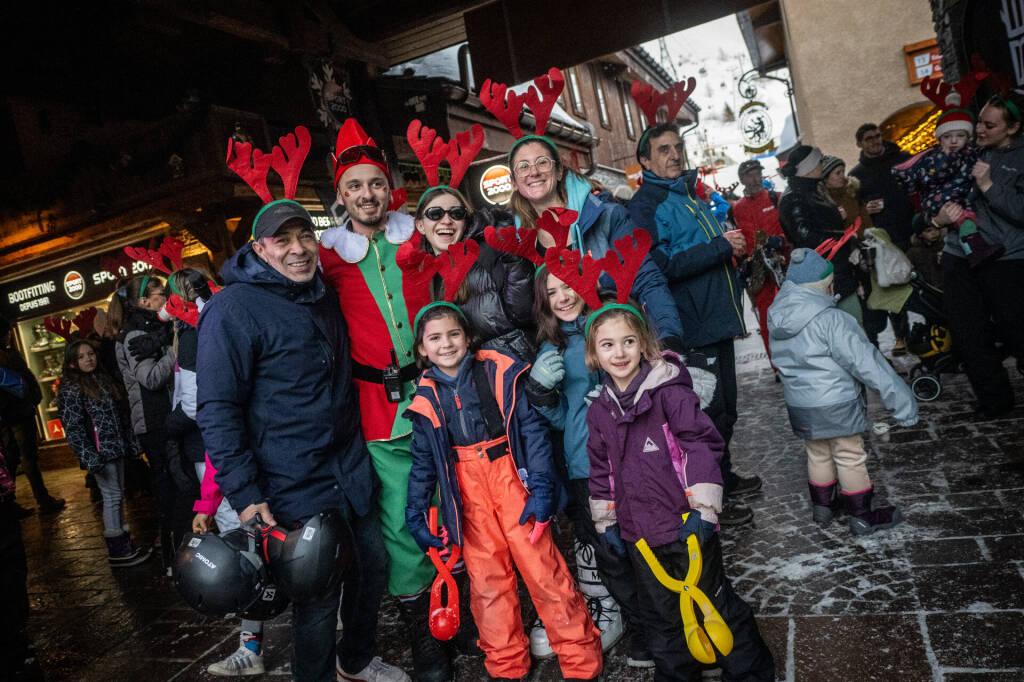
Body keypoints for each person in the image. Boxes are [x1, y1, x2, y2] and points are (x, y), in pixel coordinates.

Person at [197, 203, 406, 682]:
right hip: (291, 479)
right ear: (259, 248)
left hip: (348, 468)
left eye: (304, 236)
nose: (297, 249)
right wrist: (246, 495)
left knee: (373, 567)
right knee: (317, 597)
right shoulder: (231, 309)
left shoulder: (321, 293)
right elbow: (217, 409)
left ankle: (354, 659)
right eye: (282, 240)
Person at [319, 118, 478, 682]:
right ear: (341, 194)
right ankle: (427, 641)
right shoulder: (327, 257)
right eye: (355, 186)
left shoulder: (418, 235)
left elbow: (465, 241)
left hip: (439, 388)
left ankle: (468, 617)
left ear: (391, 189)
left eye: (376, 184)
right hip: (375, 406)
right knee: (400, 521)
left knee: (459, 500)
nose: (368, 194)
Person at [405, 301, 603, 682]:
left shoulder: (499, 371)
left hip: (511, 479)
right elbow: (423, 465)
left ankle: (580, 661)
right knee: (487, 584)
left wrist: (542, 489)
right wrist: (415, 514)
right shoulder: (425, 398)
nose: (446, 344)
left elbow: (533, 434)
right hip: (468, 495)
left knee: (544, 571)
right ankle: (506, 666)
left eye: (453, 334)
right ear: (421, 350)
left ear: (468, 337)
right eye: (435, 338)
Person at [585, 303, 775, 681]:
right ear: (594, 353)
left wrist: (704, 511)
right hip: (640, 534)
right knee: (660, 614)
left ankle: (750, 672)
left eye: (628, 342)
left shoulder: (669, 393)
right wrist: (607, 520)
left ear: (644, 344)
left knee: (714, 602)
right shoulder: (599, 410)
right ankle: (677, 674)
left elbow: (700, 445)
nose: (619, 353)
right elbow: (601, 467)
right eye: (608, 345)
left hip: (686, 523)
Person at [629, 122, 762, 527]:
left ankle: (723, 476)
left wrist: (727, 246)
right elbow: (660, 267)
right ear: (646, 160)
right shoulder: (645, 206)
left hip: (716, 320)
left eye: (678, 147)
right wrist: (720, 246)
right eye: (664, 149)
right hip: (691, 325)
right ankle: (711, 497)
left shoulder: (689, 195)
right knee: (707, 415)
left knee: (727, 411)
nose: (674, 155)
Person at [524, 268, 649, 667]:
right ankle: (638, 623)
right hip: (586, 464)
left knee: (645, 542)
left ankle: (664, 618)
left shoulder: (612, 326)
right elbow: (563, 420)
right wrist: (542, 396)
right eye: (553, 291)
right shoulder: (552, 346)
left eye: (569, 286)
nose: (563, 297)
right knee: (607, 551)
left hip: (634, 456)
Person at [768, 248, 918, 534]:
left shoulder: (777, 317)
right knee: (849, 454)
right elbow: (868, 364)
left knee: (817, 454)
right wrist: (902, 401)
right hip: (836, 402)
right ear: (825, 285)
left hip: (800, 404)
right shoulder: (832, 320)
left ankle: (823, 507)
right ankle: (861, 515)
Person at [933, 92, 1024, 419]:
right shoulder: (964, 151)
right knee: (967, 331)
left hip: (1006, 257)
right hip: (961, 253)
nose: (980, 130)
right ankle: (993, 400)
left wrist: (987, 186)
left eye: (989, 124)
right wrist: (936, 218)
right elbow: (932, 194)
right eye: (979, 122)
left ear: (1012, 127)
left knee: (1016, 328)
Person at [108, 274, 188, 570]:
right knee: (170, 490)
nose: (165, 299)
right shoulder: (133, 335)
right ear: (143, 301)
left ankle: (182, 553)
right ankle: (173, 558)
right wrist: (174, 348)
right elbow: (151, 378)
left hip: (166, 418)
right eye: (160, 295)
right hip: (154, 424)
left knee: (181, 486)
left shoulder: (153, 326)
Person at [412, 186, 536, 360]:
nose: (446, 220)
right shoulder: (425, 274)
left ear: (466, 221)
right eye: (435, 214)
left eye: (456, 213)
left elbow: (524, 313)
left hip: (514, 365)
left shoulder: (488, 252)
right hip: (471, 376)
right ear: (420, 225)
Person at [57, 339, 151, 565]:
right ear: (71, 363)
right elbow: (74, 427)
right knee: (112, 496)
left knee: (118, 495)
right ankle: (117, 550)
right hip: (99, 453)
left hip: (115, 448)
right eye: (81, 356)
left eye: (90, 354)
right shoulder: (71, 388)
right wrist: (89, 456)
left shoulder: (102, 379)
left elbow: (119, 416)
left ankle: (123, 542)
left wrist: (129, 443)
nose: (88, 359)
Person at [779, 145, 865, 323]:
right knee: (848, 329)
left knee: (854, 324)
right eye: (819, 161)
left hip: (837, 268)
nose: (822, 164)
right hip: (823, 275)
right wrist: (844, 238)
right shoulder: (794, 196)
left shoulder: (814, 189)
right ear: (808, 167)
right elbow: (805, 235)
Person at [848, 123, 914, 349]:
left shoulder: (903, 159)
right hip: (884, 239)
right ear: (859, 143)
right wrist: (868, 209)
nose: (875, 141)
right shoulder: (856, 175)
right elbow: (855, 209)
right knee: (893, 285)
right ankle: (901, 336)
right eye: (869, 138)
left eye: (877, 136)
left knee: (926, 283)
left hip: (913, 230)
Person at [0, 316, 65, 518]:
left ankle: (8, 502)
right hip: (19, 413)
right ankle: (42, 499)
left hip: (5, 417)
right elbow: (27, 382)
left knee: (10, 459)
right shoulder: (9, 356)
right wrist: (34, 399)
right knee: (28, 457)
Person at [730, 159, 788, 366]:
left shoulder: (776, 198)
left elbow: (788, 229)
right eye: (750, 175)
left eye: (758, 174)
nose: (755, 179)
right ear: (742, 179)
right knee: (765, 318)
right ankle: (777, 365)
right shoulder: (737, 208)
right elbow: (739, 239)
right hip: (757, 270)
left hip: (783, 264)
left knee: (791, 311)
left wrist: (780, 240)